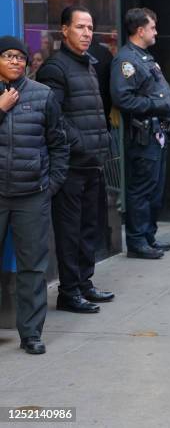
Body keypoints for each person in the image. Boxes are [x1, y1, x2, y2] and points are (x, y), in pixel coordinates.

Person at [37, 6, 115, 314]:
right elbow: (54, 118)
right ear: (64, 30)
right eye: (80, 27)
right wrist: (81, 144)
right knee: (69, 231)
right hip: (70, 164)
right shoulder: (54, 68)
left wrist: (103, 141)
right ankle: (68, 292)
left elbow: (94, 111)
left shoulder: (89, 65)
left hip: (93, 162)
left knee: (88, 228)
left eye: (90, 28)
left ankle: (84, 283)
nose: (86, 33)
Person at [0, 36, 69, 353]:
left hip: (32, 195)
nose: (15, 61)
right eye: (8, 56)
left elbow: (58, 144)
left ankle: (31, 334)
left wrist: (50, 185)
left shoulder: (43, 96)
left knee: (32, 266)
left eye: (20, 56)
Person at [110, 7, 170, 259]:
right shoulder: (126, 60)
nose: (156, 32)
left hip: (157, 134)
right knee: (141, 189)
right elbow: (124, 99)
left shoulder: (145, 57)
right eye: (152, 28)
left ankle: (148, 236)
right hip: (143, 134)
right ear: (140, 31)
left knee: (155, 189)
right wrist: (158, 105)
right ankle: (138, 241)